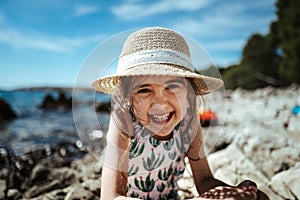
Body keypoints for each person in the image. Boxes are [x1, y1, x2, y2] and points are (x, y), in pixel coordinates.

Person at [92, 27, 268, 200]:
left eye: (172, 87)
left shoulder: (189, 122)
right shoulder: (123, 123)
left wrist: (234, 192)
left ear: (189, 93)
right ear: (127, 96)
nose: (160, 102)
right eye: (144, 90)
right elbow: (111, 196)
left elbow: (205, 180)